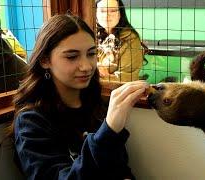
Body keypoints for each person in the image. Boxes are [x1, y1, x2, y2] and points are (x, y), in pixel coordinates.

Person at [8, 14, 148, 179]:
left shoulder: (97, 105)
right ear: (45, 60)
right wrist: (108, 131)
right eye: (72, 56)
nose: (87, 66)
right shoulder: (31, 122)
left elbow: (119, 168)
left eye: (91, 54)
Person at [96, 0, 144, 82]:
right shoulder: (94, 34)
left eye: (112, 10)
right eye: (102, 11)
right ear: (96, 14)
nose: (107, 15)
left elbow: (128, 78)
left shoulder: (130, 38)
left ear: (120, 14)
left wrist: (97, 75)